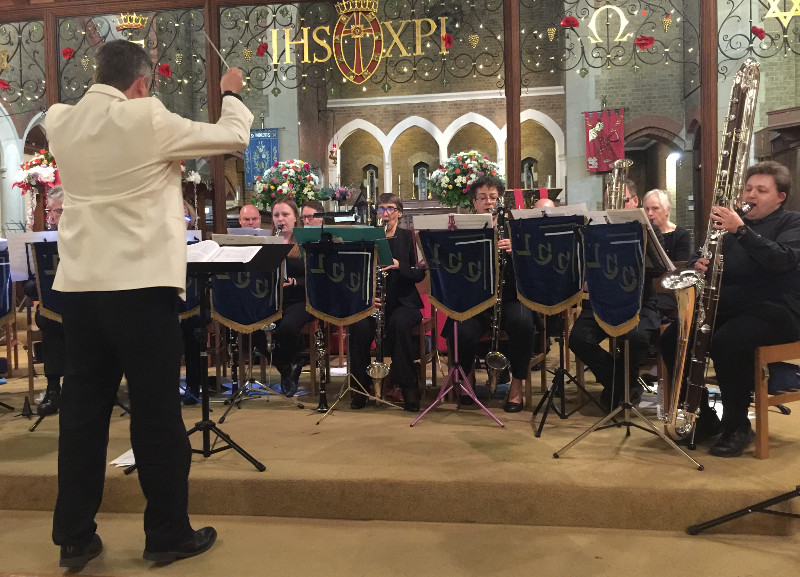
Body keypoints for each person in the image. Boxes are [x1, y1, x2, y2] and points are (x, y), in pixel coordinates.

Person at [44, 40, 252, 568]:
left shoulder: (59, 121)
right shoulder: (148, 117)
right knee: (156, 414)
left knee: (82, 415)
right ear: (141, 84)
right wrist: (230, 93)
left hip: (81, 291)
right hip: (141, 289)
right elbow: (232, 136)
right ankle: (166, 534)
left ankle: (74, 536)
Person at [661, 161, 800, 457]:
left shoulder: (791, 223)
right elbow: (700, 257)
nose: (751, 195)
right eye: (748, 189)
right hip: (727, 308)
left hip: (775, 311)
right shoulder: (728, 226)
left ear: (780, 197)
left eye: (761, 190)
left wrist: (741, 231)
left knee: (728, 342)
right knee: (672, 338)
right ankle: (704, 418)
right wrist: (699, 263)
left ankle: (737, 426)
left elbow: (782, 260)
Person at [442, 175, 538, 413]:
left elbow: (534, 265)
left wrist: (516, 251)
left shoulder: (515, 228)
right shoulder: (464, 229)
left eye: (493, 197)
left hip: (510, 298)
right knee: (460, 329)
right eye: (483, 198)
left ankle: (516, 386)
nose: (489, 202)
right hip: (476, 300)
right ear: (474, 203)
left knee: (523, 323)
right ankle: (467, 379)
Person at [569, 180, 661, 412]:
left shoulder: (648, 230)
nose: (616, 205)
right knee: (579, 339)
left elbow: (657, 269)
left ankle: (618, 388)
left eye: (623, 200)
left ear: (635, 202)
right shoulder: (596, 231)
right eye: (610, 201)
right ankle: (623, 384)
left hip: (639, 304)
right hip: (602, 304)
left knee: (637, 338)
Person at [349, 193, 426, 411]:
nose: (385, 213)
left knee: (399, 324)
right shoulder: (368, 238)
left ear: (399, 213)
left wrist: (398, 265)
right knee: (359, 326)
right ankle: (360, 388)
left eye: (390, 208)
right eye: (381, 209)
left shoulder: (410, 237)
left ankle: (406, 386)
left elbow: (419, 273)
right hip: (373, 302)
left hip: (403, 303)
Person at [24, 186, 66, 417]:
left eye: (58, 211)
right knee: (49, 320)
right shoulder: (42, 243)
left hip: (85, 303)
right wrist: (41, 287)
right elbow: (29, 286)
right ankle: (53, 388)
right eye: (52, 211)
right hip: (54, 306)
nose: (53, 217)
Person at [268, 198, 313, 397]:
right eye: (276, 215)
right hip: (273, 299)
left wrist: (294, 282)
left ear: (296, 218)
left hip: (300, 299)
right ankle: (288, 368)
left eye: (285, 214)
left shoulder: (304, 243)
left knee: (287, 327)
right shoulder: (268, 243)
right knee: (253, 326)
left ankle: (289, 366)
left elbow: (314, 276)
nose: (281, 219)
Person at [642, 189, 692, 320]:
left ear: (667, 210)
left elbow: (679, 270)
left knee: (648, 311)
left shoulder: (681, 235)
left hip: (669, 292)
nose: (650, 213)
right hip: (645, 291)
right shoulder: (641, 234)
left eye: (655, 208)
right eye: (646, 209)